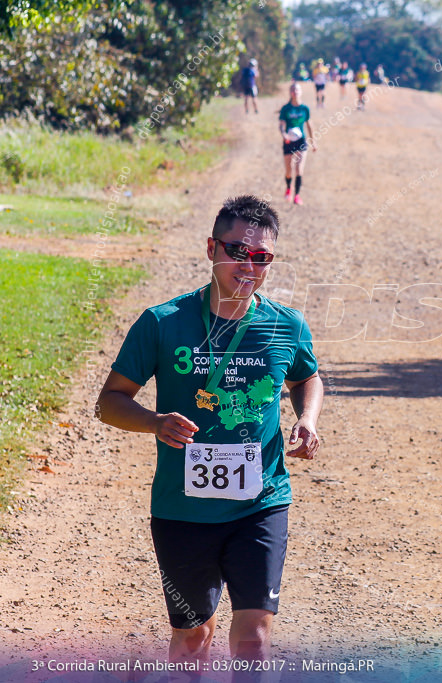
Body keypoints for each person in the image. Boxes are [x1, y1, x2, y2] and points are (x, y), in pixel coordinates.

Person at [95, 195, 323, 677]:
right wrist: (156, 422)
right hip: (182, 507)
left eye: (261, 257)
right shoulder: (162, 323)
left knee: (254, 637)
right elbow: (109, 402)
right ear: (211, 248)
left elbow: (307, 377)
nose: (248, 265)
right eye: (237, 251)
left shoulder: (285, 324)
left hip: (260, 503)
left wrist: (307, 418)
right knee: (194, 636)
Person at [278, 82, 317, 205]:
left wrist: (313, 142)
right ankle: (289, 188)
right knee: (289, 170)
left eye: (297, 90)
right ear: (290, 92)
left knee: (299, 170)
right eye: (293, 90)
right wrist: (284, 134)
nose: (295, 92)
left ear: (301, 92)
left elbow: (309, 125)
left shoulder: (305, 109)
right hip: (289, 141)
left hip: (301, 141)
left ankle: (297, 196)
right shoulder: (286, 109)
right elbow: (281, 125)